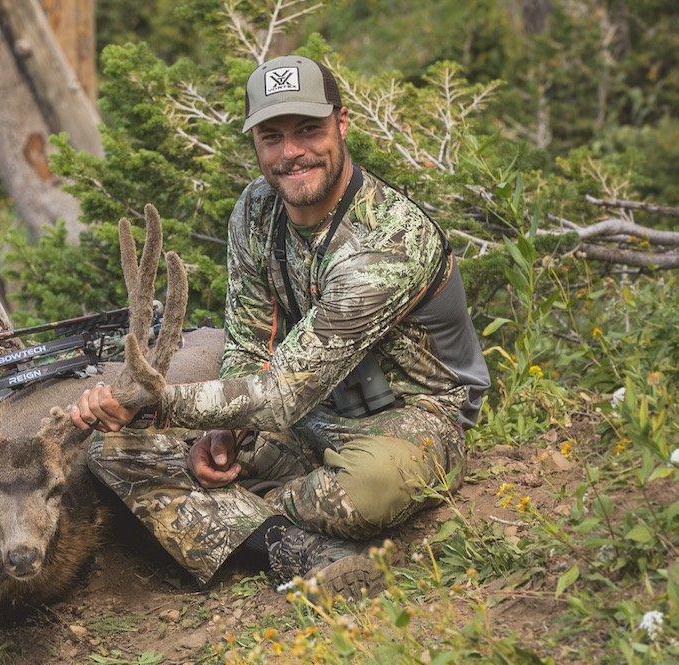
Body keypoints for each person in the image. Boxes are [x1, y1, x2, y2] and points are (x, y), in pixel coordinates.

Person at [70, 55, 490, 598]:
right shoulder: (254, 211)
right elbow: (248, 346)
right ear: (255, 144)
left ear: (341, 124)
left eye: (308, 131)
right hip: (308, 421)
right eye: (272, 137)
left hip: (410, 421)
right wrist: (225, 435)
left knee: (370, 490)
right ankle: (295, 548)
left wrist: (154, 402)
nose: (291, 153)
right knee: (111, 451)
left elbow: (281, 395)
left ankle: (252, 521)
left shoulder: (388, 241)